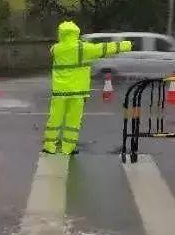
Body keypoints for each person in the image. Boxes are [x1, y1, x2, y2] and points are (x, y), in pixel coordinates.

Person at [43, 21, 132, 155]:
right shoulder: (82, 48)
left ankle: (49, 146)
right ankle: (68, 148)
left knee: (55, 119)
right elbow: (104, 48)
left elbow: (56, 50)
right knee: (73, 121)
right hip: (77, 92)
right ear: (76, 33)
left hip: (60, 91)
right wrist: (127, 45)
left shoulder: (56, 49)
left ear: (61, 33)